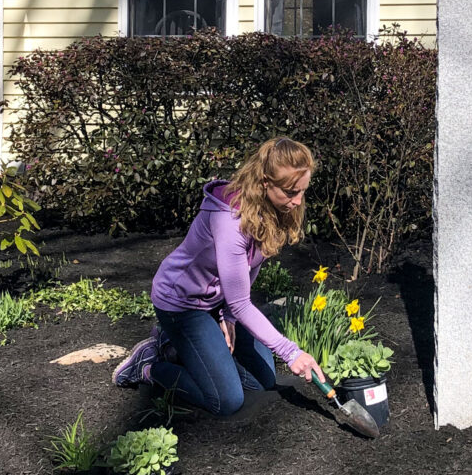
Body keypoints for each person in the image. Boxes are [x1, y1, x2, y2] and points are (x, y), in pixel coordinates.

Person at [112, 137, 326, 416]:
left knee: (263, 382)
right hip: (182, 305)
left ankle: (187, 351)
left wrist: (229, 317)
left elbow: (250, 267)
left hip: (216, 300)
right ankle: (152, 364)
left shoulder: (273, 209)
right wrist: (291, 352)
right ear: (264, 183)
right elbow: (241, 302)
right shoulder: (230, 223)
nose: (297, 201)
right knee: (226, 400)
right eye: (289, 192)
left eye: (302, 191)